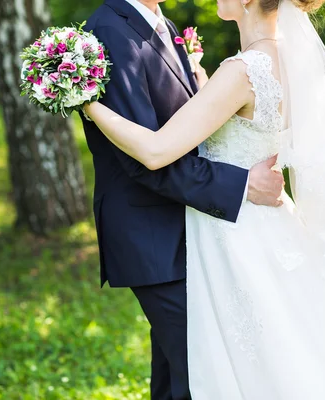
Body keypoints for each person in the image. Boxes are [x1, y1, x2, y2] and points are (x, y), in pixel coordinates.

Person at [83, 0, 325, 398]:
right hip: (269, 225)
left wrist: (89, 103)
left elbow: (158, 151)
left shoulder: (242, 70)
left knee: (233, 371)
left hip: (233, 233)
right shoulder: (285, 61)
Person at [82, 1, 285, 399]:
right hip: (153, 235)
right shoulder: (109, 30)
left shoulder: (167, 26)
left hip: (203, 227)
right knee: (205, 375)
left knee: (181, 380)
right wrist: (241, 185)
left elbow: (189, 132)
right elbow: (144, 160)